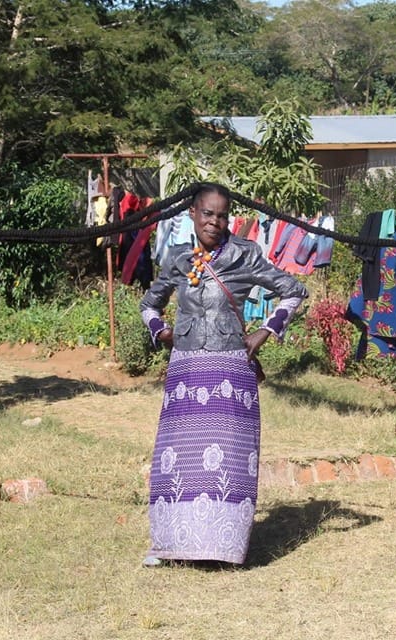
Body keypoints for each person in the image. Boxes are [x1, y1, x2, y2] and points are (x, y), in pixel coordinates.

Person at [139, 183, 308, 566]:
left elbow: (293, 291)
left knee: (226, 459)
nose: (214, 222)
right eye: (207, 214)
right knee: (180, 457)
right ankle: (169, 543)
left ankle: (224, 546)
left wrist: (263, 334)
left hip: (230, 370)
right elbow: (149, 304)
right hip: (185, 369)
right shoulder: (179, 259)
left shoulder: (244, 256)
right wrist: (162, 331)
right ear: (192, 215)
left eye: (221, 215)